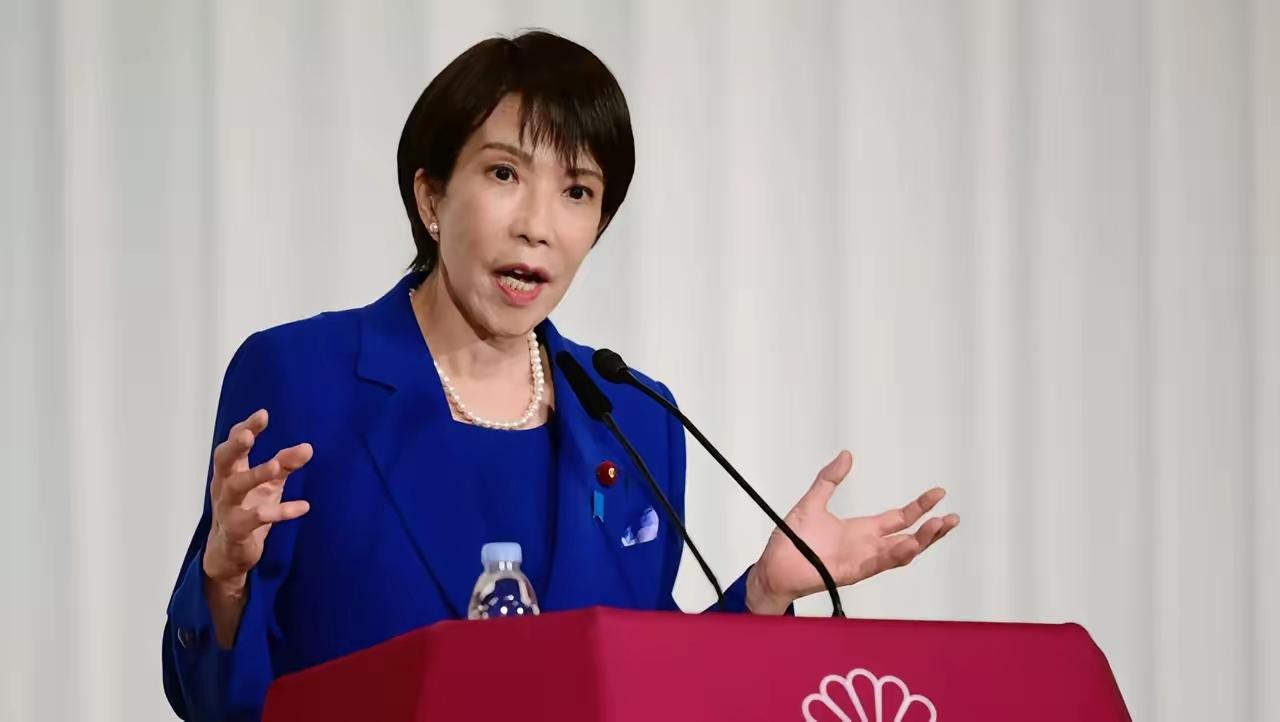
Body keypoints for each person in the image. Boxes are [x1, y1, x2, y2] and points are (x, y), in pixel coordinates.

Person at [162, 30, 959, 721]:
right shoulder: (303, 377)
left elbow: (647, 681)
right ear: (432, 197)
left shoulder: (633, 417)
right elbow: (216, 701)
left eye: (577, 191)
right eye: (505, 175)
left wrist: (763, 594)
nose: (538, 225)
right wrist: (223, 576)